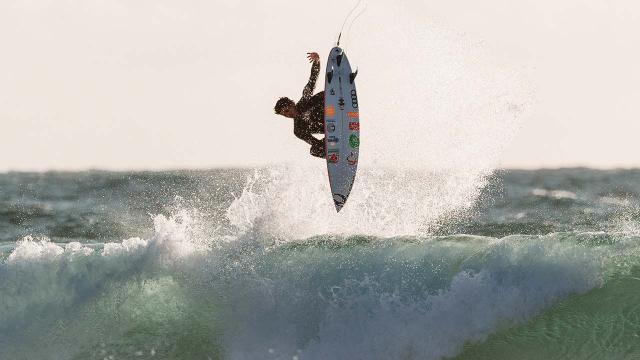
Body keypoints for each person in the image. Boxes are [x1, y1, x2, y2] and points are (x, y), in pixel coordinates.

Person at [274, 52, 326, 158]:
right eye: (284, 115)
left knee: (318, 97)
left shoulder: (304, 100)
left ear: (292, 103)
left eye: (287, 110)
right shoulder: (298, 130)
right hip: (330, 128)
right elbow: (315, 143)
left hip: (332, 108)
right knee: (314, 150)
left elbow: (312, 80)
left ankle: (336, 91)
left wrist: (316, 62)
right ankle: (336, 156)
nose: (288, 115)